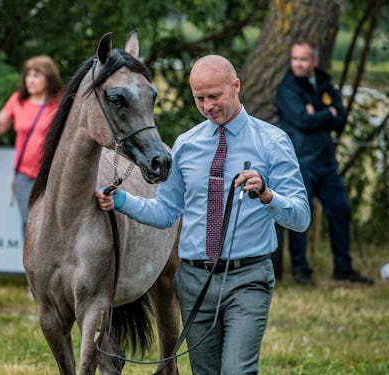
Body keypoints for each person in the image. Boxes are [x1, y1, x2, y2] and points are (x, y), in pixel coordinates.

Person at [96, 55, 310, 374]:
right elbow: (166, 213)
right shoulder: (185, 144)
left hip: (248, 278)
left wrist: (268, 195)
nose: (207, 106)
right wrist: (121, 200)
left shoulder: (272, 141)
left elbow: (300, 217)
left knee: (237, 370)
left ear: (235, 86)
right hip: (194, 282)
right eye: (199, 98)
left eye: (214, 96)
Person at [275, 41, 373, 286]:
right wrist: (325, 113)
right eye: (295, 58)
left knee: (341, 209)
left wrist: (317, 112)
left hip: (326, 162)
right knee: (301, 215)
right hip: (300, 162)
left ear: (314, 61)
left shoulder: (325, 84)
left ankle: (343, 268)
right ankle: (301, 270)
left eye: (303, 59)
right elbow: (301, 121)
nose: (298, 63)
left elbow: (341, 119)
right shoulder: (286, 88)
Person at [0, 55, 63, 235]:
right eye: (28, 75)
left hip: (51, 174)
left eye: (37, 76)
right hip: (24, 175)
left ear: (49, 79)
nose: (30, 80)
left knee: (53, 224)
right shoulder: (18, 100)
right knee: (30, 223)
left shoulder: (59, 103)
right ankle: (31, 263)